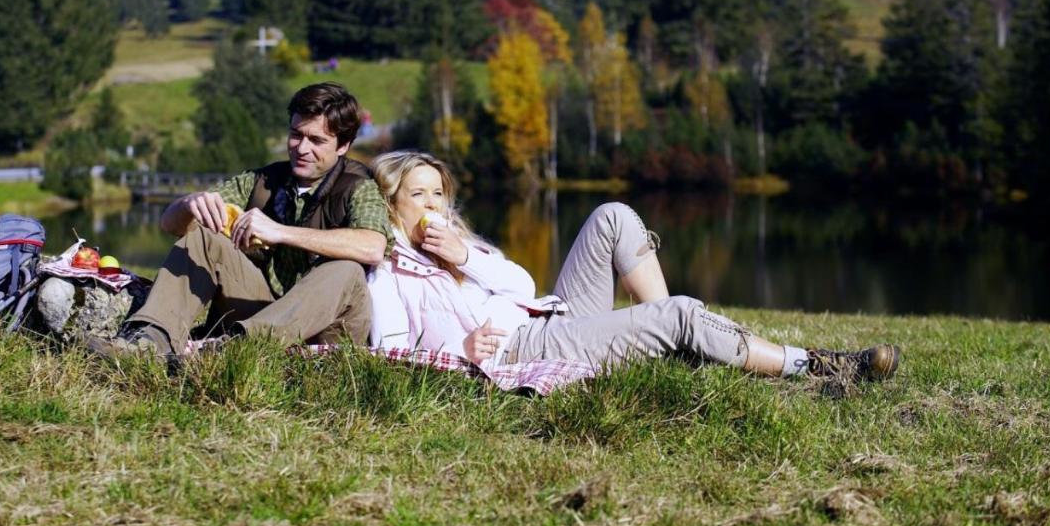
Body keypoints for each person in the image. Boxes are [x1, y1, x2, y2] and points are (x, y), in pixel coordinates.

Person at [366, 150, 900, 383]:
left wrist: (464, 255)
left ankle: (673, 338)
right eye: (420, 194)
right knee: (683, 315)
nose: (435, 204)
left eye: (439, 192)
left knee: (614, 215)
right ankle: (820, 366)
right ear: (392, 204)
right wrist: (458, 352)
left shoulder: (454, 247)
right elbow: (386, 349)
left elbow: (524, 284)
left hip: (548, 316)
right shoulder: (388, 271)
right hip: (520, 348)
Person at [89, 83, 394, 360]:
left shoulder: (359, 186)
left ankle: (236, 352)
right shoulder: (262, 180)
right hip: (258, 314)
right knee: (204, 237)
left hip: (327, 328)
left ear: (343, 146)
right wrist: (188, 204)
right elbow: (171, 226)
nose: (302, 149)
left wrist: (281, 233)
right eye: (296, 134)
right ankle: (148, 342)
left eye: (316, 140)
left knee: (346, 268)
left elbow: (373, 247)